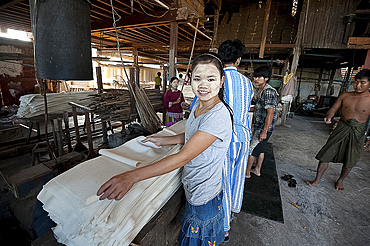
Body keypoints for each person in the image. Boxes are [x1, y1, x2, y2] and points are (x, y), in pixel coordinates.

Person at [97, 53, 233, 246]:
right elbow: (195, 135)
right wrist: (165, 140)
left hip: (204, 196)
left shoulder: (218, 115)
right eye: (197, 78)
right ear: (190, 80)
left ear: (221, 81)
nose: (203, 84)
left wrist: (131, 176)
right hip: (193, 186)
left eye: (211, 79)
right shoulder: (198, 107)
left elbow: (183, 157)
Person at [305, 69, 370, 190]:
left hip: (358, 132)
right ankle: (317, 180)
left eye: (362, 82)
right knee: (326, 154)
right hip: (342, 127)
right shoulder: (346, 95)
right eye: (356, 82)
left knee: (350, 158)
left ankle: (340, 181)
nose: (358, 85)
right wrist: (329, 116)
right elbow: (334, 108)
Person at [217, 39, 254, 240]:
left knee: (222, 181)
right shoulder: (247, 82)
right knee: (236, 178)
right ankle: (232, 212)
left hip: (224, 138)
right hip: (243, 136)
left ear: (220, 58)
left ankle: (224, 228)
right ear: (238, 60)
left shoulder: (217, 79)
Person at [246, 65, 278, 178]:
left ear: (266, 78)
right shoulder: (259, 90)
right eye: (255, 76)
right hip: (259, 125)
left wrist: (264, 131)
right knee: (261, 149)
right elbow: (259, 107)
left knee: (252, 149)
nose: (256, 79)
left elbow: (270, 113)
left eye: (260, 77)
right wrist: (247, 108)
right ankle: (257, 170)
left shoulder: (269, 91)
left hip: (264, 127)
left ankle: (247, 172)